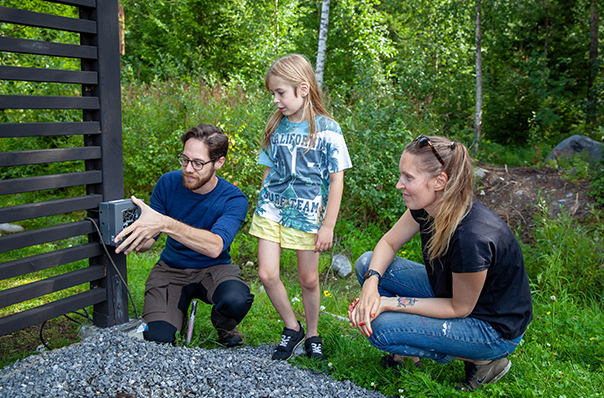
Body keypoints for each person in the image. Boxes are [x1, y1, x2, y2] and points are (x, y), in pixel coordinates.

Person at [348, 135, 532, 392]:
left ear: (440, 181)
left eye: (408, 178)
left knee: (381, 329)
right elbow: (389, 243)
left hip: (491, 328)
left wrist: (389, 303)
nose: (399, 185)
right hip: (452, 295)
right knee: (367, 263)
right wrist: (371, 284)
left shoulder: (472, 237)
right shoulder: (428, 206)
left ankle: (486, 360)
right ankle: (410, 353)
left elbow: (460, 308)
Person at [250, 54, 352, 361]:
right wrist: (264, 198)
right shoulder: (275, 126)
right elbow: (268, 169)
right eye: (273, 94)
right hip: (271, 209)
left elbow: (337, 181)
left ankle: (312, 334)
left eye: (280, 93)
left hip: (308, 215)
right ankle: (291, 327)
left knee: (308, 280)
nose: (276, 100)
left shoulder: (328, 129)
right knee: (267, 274)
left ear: (303, 89)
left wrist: (328, 225)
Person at [114, 124, 254, 346]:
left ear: (219, 162)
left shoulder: (233, 199)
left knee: (236, 299)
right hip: (171, 269)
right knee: (157, 339)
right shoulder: (167, 183)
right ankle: (172, 316)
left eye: (198, 163)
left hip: (214, 269)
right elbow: (151, 240)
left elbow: (215, 246)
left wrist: (166, 223)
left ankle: (223, 323)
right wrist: (136, 239)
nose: (188, 169)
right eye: (185, 159)